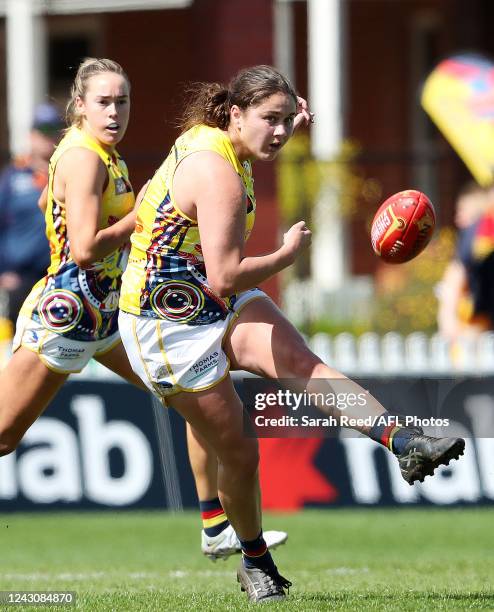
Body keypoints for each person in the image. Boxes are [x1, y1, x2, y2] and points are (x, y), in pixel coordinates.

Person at [118, 65, 466, 602]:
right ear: (234, 114)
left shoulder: (227, 135)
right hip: (164, 324)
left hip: (205, 297)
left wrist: (289, 116)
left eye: (286, 120)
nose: (279, 132)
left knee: (304, 366)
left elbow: (220, 277)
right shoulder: (219, 174)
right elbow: (226, 275)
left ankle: (404, 440)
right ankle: (254, 560)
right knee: (239, 453)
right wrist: (285, 255)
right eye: (269, 120)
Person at [0, 58, 287, 562]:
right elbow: (85, 249)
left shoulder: (105, 155)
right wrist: (139, 218)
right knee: (2, 437)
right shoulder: (85, 158)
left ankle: (214, 524)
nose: (115, 112)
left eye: (123, 101)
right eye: (104, 102)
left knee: (195, 385)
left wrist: (291, 116)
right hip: (67, 314)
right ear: (80, 105)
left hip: (108, 312)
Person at [0, 103, 63, 336]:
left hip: (57, 275)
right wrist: (3, 270)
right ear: (31, 135)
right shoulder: (13, 177)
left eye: (53, 130)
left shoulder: (67, 172)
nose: (48, 137)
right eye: (42, 130)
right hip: (20, 278)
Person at [437, 182, 492, 341]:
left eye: (462, 211)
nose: (458, 220)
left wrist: (450, 325)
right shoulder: (478, 234)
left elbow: (453, 282)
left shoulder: (480, 232)